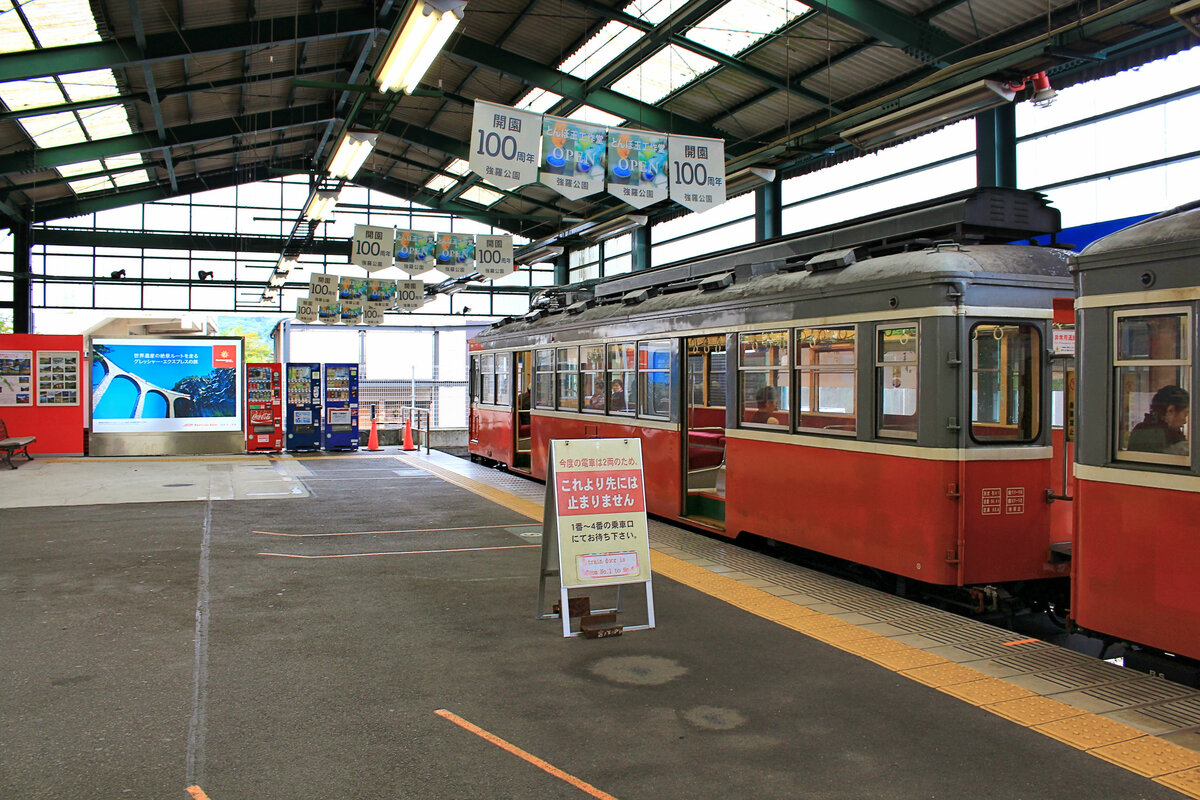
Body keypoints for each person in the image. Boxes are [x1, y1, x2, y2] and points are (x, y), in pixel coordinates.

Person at [1128, 384, 1189, 455]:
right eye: (1185, 415)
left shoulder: (1140, 428)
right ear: (1171, 410)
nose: (1185, 421)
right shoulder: (1153, 434)